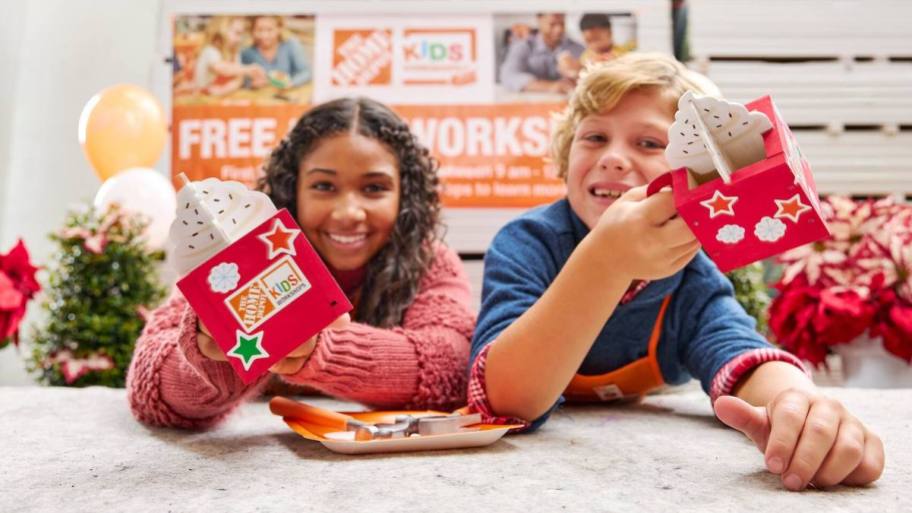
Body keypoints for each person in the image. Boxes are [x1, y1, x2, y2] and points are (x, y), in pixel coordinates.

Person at [468, 53, 884, 491]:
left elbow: (738, 351)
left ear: (702, 174)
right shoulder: (527, 244)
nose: (612, 158)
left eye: (649, 144)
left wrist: (796, 404)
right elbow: (504, 402)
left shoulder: (692, 278)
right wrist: (606, 261)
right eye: (594, 137)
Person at [127, 97, 475, 429]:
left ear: (406, 195)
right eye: (323, 185)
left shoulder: (429, 262)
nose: (348, 212)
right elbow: (148, 387)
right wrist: (213, 358)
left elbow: (453, 366)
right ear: (292, 189)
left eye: (374, 188)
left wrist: (320, 348)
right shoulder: (236, 254)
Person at [499, 13, 584, 94]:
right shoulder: (524, 46)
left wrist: (577, 72)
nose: (559, 29)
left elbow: (587, 78)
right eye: (552, 24)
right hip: (530, 102)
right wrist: (550, 86)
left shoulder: (577, 48)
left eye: (562, 24)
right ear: (539, 20)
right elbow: (509, 76)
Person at [193, 16, 266, 96]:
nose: (240, 39)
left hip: (222, 96)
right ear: (223, 31)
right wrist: (248, 69)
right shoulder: (210, 50)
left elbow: (239, 79)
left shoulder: (234, 52)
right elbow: (221, 68)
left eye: (241, 35)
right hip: (202, 97)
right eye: (237, 33)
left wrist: (223, 91)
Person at [240, 16, 311, 89]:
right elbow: (242, 79)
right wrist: (251, 84)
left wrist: (291, 83)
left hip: (289, 91)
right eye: (259, 30)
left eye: (269, 30)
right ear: (252, 31)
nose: (264, 35)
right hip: (262, 93)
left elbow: (306, 72)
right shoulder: (246, 52)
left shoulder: (290, 44)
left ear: (279, 29)